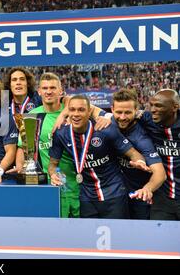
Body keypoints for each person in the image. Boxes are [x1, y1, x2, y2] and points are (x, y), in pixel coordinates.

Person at [24, 73, 112, 218]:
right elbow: (26, 150)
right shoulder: (32, 115)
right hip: (52, 185)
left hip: (80, 185)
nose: (48, 91)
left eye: (53, 88)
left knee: (81, 233)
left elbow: (95, 110)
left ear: (61, 91)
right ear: (39, 91)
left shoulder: (74, 112)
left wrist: (106, 117)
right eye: (45, 88)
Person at [49, 95, 151, 219]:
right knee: (90, 236)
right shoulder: (61, 134)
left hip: (114, 194)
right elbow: (53, 164)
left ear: (89, 112)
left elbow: (134, 153)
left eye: (81, 110)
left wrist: (139, 161)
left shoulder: (105, 129)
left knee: (117, 236)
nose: (76, 114)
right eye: (72, 110)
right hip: (86, 197)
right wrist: (53, 174)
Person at [111, 89, 166, 219]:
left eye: (128, 112)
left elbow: (160, 173)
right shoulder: (107, 123)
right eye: (119, 112)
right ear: (112, 109)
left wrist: (147, 189)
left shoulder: (142, 139)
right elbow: (88, 107)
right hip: (115, 196)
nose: (122, 117)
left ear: (137, 111)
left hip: (138, 196)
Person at [136, 89, 180, 220]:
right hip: (162, 199)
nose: (153, 109)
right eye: (152, 105)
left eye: (159, 105)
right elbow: (123, 115)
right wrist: (105, 116)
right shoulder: (148, 119)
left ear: (175, 107)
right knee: (157, 239)